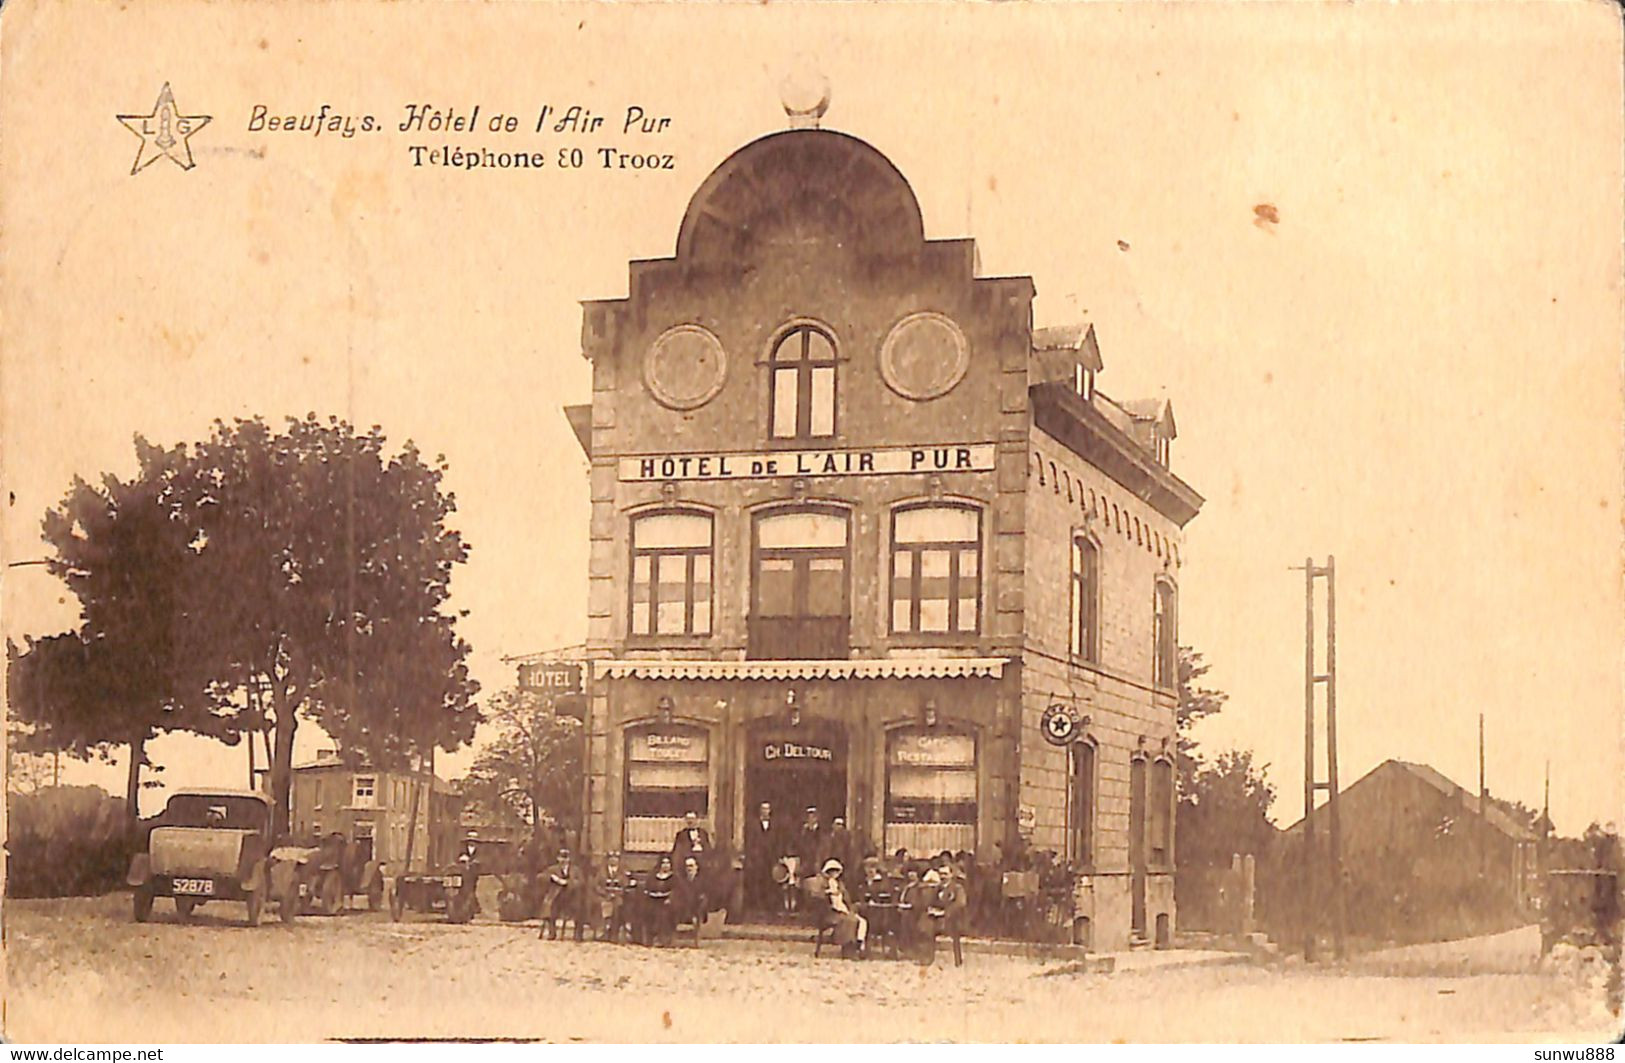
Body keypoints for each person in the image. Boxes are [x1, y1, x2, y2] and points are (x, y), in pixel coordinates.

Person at [820, 858, 867, 959]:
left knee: (862, 921)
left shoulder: (841, 885)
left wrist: (850, 907)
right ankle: (848, 949)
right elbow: (820, 898)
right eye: (831, 871)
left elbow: (847, 900)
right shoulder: (824, 884)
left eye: (836, 871)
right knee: (850, 921)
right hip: (831, 912)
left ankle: (858, 945)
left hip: (843, 909)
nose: (834, 873)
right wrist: (828, 893)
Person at [743, 801, 780, 912]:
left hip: (770, 858)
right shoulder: (752, 825)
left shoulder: (775, 826)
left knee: (770, 883)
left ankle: (770, 907)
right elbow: (749, 842)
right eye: (763, 809)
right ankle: (757, 907)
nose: (765, 811)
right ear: (760, 810)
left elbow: (777, 842)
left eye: (767, 809)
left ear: (770, 811)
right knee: (758, 882)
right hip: (757, 858)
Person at [538, 847, 582, 941]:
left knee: (579, 908)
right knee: (551, 907)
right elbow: (540, 877)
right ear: (558, 858)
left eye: (565, 858)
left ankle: (578, 934)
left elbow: (581, 881)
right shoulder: (553, 869)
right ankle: (552, 932)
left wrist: (567, 883)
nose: (563, 860)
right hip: (556, 897)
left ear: (569, 859)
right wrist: (552, 878)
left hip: (571, 897)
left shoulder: (575, 870)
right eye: (561, 858)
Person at [595, 852, 630, 943]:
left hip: (618, 897)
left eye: (616, 858)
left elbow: (626, 885)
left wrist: (617, 893)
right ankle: (602, 931)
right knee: (600, 906)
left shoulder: (623, 872)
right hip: (604, 896)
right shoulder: (601, 871)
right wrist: (605, 894)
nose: (613, 860)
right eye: (611, 858)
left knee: (617, 908)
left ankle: (614, 933)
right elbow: (596, 885)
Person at [644, 854, 677, 946]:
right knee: (648, 911)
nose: (666, 865)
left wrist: (670, 898)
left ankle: (662, 939)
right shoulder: (653, 876)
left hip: (668, 904)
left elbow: (676, 891)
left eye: (668, 863)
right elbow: (648, 888)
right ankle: (649, 938)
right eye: (663, 863)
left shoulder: (674, 877)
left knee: (663, 914)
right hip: (653, 900)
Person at [675, 854, 709, 931]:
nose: (688, 868)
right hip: (683, 909)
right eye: (687, 866)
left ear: (696, 867)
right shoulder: (682, 882)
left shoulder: (703, 881)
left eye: (691, 866)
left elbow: (704, 896)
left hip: (697, 908)